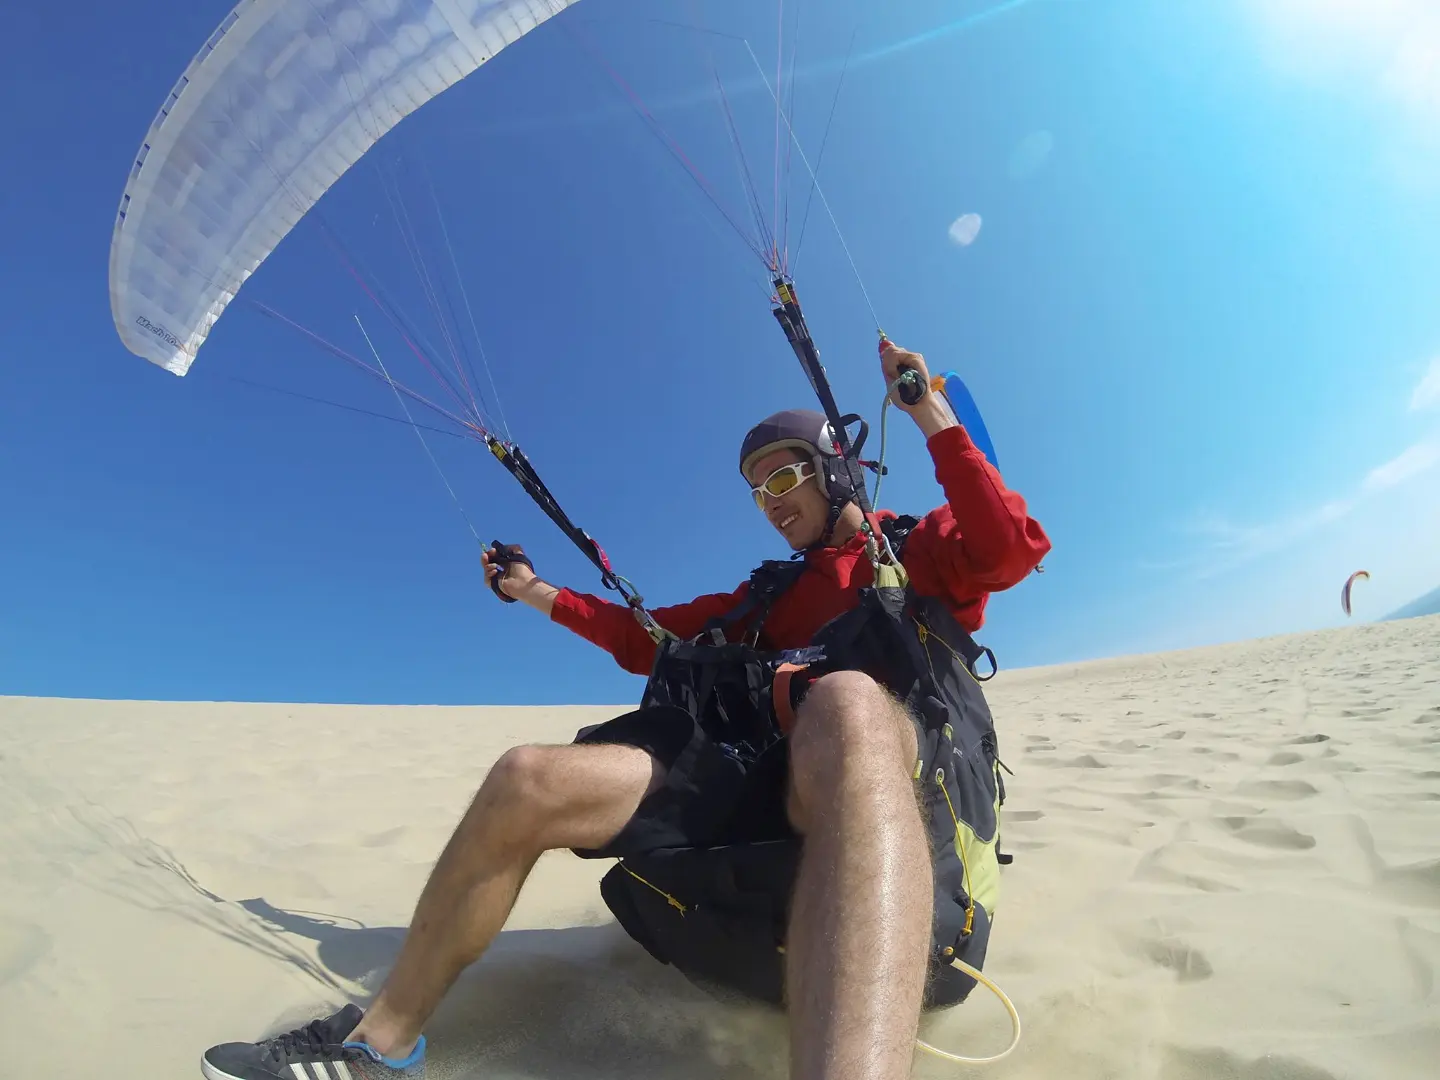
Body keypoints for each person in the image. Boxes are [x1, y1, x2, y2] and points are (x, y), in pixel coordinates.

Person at [200, 341, 1051, 1080]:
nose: (771, 497)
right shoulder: (761, 597)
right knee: (527, 777)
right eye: (756, 488)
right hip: (769, 823)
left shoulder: (914, 550)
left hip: (918, 845)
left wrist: (927, 407)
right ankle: (379, 1046)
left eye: (785, 474)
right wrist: (534, 593)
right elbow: (643, 638)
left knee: (849, 707)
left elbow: (1008, 548)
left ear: (835, 466)